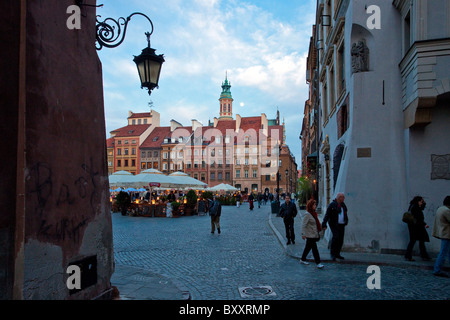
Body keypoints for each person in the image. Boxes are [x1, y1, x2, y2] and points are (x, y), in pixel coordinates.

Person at [322, 192, 348, 261]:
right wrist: (324, 224)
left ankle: (337, 253)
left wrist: (346, 221)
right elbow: (327, 215)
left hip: (342, 224)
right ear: (339, 198)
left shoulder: (343, 205)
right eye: (342, 197)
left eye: (343, 197)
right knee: (335, 237)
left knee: (340, 239)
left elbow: (345, 213)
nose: (343, 198)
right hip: (334, 224)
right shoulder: (332, 205)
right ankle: (332, 253)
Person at [405, 196, 431, 261]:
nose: (422, 203)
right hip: (416, 227)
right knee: (414, 241)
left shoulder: (413, 206)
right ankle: (409, 256)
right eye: (422, 201)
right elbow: (419, 218)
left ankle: (423, 254)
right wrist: (424, 224)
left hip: (415, 226)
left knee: (420, 240)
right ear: (418, 201)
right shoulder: (415, 207)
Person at [300, 199, 324, 269]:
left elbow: (316, 223)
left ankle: (302, 259)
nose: (315, 206)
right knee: (314, 248)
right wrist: (303, 234)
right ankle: (318, 263)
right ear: (311, 206)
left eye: (315, 204)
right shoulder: (307, 214)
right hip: (310, 235)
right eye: (314, 204)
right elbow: (303, 225)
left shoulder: (314, 213)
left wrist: (322, 227)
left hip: (314, 233)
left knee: (307, 247)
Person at [432, 196, 450, 277]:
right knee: (443, 252)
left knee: (446, 252)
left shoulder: (440, 209)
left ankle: (437, 269)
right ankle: (437, 269)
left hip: (444, 233)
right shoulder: (446, 210)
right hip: (447, 234)